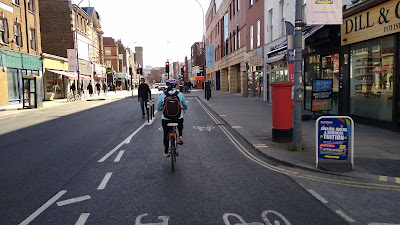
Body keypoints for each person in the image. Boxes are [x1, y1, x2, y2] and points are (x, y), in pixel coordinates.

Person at [157, 78, 187, 158]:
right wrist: (184, 107)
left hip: (166, 119)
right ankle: (180, 136)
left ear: (167, 85)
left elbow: (158, 106)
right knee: (180, 123)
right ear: (175, 85)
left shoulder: (163, 95)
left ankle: (166, 152)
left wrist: (160, 109)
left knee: (166, 134)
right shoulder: (179, 94)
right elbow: (184, 104)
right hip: (177, 117)